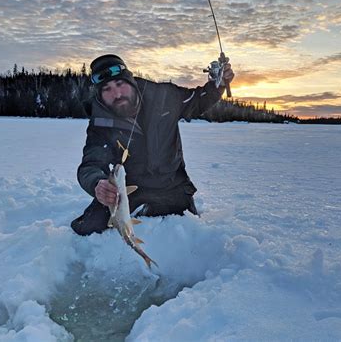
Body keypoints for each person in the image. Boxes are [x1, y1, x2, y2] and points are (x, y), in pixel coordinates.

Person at [71, 54, 234, 235]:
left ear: (130, 80)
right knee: (86, 227)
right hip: (129, 191)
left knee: (188, 230)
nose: (116, 94)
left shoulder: (162, 95)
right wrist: (97, 184)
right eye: (107, 89)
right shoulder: (101, 122)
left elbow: (198, 100)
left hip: (174, 187)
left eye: (119, 84)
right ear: (100, 94)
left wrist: (218, 84)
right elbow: (90, 165)